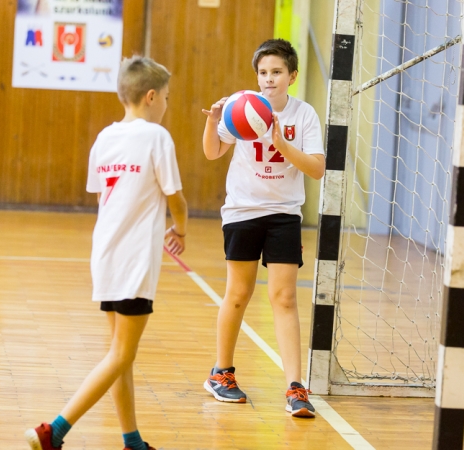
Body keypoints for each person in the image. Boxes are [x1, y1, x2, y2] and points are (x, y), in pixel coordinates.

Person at [25, 56, 187, 450]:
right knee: (119, 355)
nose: (166, 104)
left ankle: (131, 439)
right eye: (166, 97)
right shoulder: (157, 137)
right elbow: (175, 197)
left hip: (106, 256)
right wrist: (181, 228)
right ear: (151, 97)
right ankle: (54, 430)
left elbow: (103, 197)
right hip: (135, 261)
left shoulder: (104, 138)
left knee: (120, 355)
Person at [201, 39, 325, 418]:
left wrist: (282, 144)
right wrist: (212, 121)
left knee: (285, 298)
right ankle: (221, 374)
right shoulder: (241, 106)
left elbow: (317, 168)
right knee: (238, 294)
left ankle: (295, 388)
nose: (269, 80)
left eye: (276, 72)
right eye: (263, 73)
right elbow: (211, 152)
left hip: (284, 214)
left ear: (292, 76)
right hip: (242, 211)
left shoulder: (303, 116)